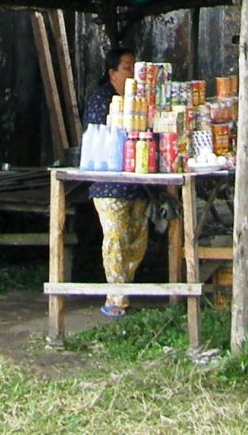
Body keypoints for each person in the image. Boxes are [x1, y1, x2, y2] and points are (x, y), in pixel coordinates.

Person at [81, 44, 148, 317]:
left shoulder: (140, 100)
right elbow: (101, 137)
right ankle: (115, 296)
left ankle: (124, 289)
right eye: (126, 68)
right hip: (109, 183)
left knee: (137, 238)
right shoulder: (100, 99)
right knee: (116, 237)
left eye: (134, 66)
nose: (132, 73)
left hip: (137, 182)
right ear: (112, 73)